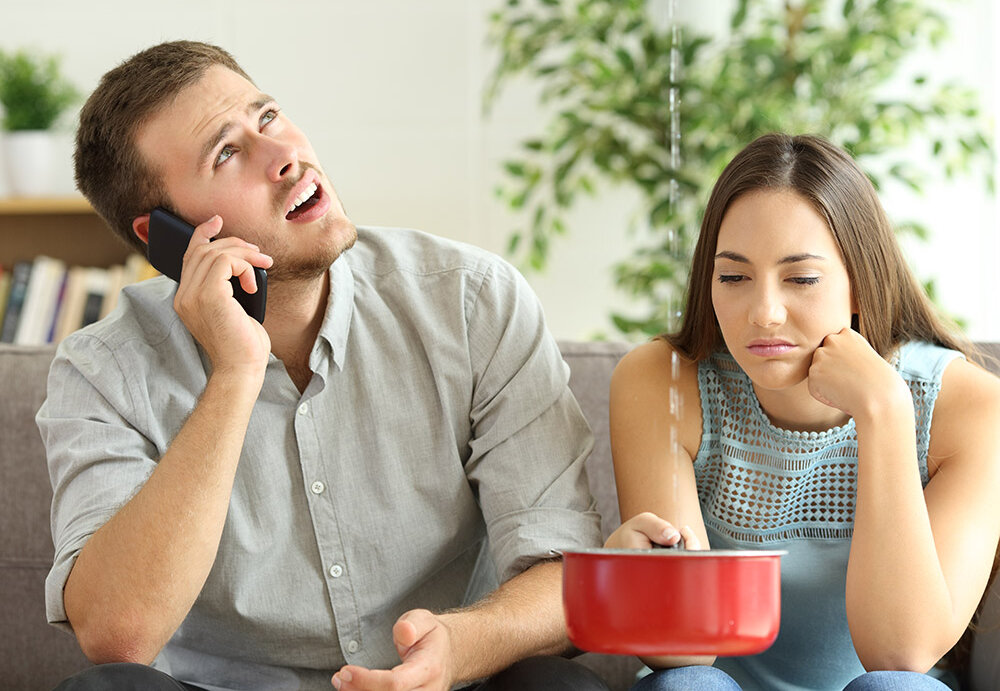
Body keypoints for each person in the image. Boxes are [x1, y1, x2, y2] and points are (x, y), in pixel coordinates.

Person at [37, 41, 609, 691]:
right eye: (227, 152)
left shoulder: (471, 300)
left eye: (270, 117)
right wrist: (235, 375)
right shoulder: (101, 371)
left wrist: (458, 649)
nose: (284, 157)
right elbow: (119, 636)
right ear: (164, 232)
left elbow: (567, 577)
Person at [604, 133, 1000, 690]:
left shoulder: (972, 408)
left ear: (861, 283)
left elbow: (901, 652)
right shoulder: (663, 382)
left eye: (802, 278)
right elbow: (688, 647)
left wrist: (883, 412)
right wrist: (630, 581)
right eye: (734, 277)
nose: (763, 313)